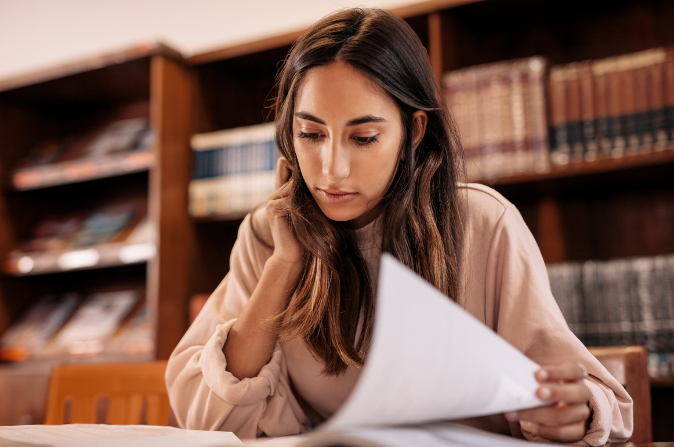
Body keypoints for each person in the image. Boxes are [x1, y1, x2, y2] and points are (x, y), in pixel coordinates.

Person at [166, 7, 632, 444]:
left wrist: (572, 413)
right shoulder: (269, 235)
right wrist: (284, 266)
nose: (332, 170)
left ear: (414, 131)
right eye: (310, 134)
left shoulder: (483, 224)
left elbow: (584, 399)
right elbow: (207, 420)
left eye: (364, 138)